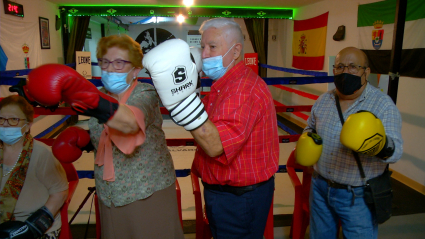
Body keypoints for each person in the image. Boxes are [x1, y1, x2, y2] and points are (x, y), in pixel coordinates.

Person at [14, 34, 184, 239]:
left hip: (146, 191)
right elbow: (106, 132)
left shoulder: (144, 93)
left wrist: (81, 93)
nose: (111, 69)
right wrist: (85, 139)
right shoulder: (101, 95)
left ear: (136, 69)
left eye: (119, 63)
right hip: (110, 193)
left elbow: (129, 122)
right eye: (105, 62)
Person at [142, 18, 279, 238]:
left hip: (239, 198)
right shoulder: (224, 85)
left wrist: (181, 97)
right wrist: (181, 89)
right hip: (227, 194)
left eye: (212, 47)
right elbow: (198, 123)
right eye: (202, 46)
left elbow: (215, 145)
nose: (204, 54)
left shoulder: (242, 89)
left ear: (235, 52)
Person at [305, 47, 403, 238]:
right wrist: (308, 138)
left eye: (353, 67)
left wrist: (377, 144)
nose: (345, 72)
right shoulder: (324, 100)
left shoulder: (382, 105)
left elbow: (397, 151)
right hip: (320, 187)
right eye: (340, 66)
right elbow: (310, 127)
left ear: (366, 72)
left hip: (357, 195)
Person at [0, 95, 68, 239]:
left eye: (14, 119)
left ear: (28, 125)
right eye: (1, 119)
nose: (5, 124)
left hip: (34, 228)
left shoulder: (41, 153)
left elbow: (60, 192)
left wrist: (33, 227)